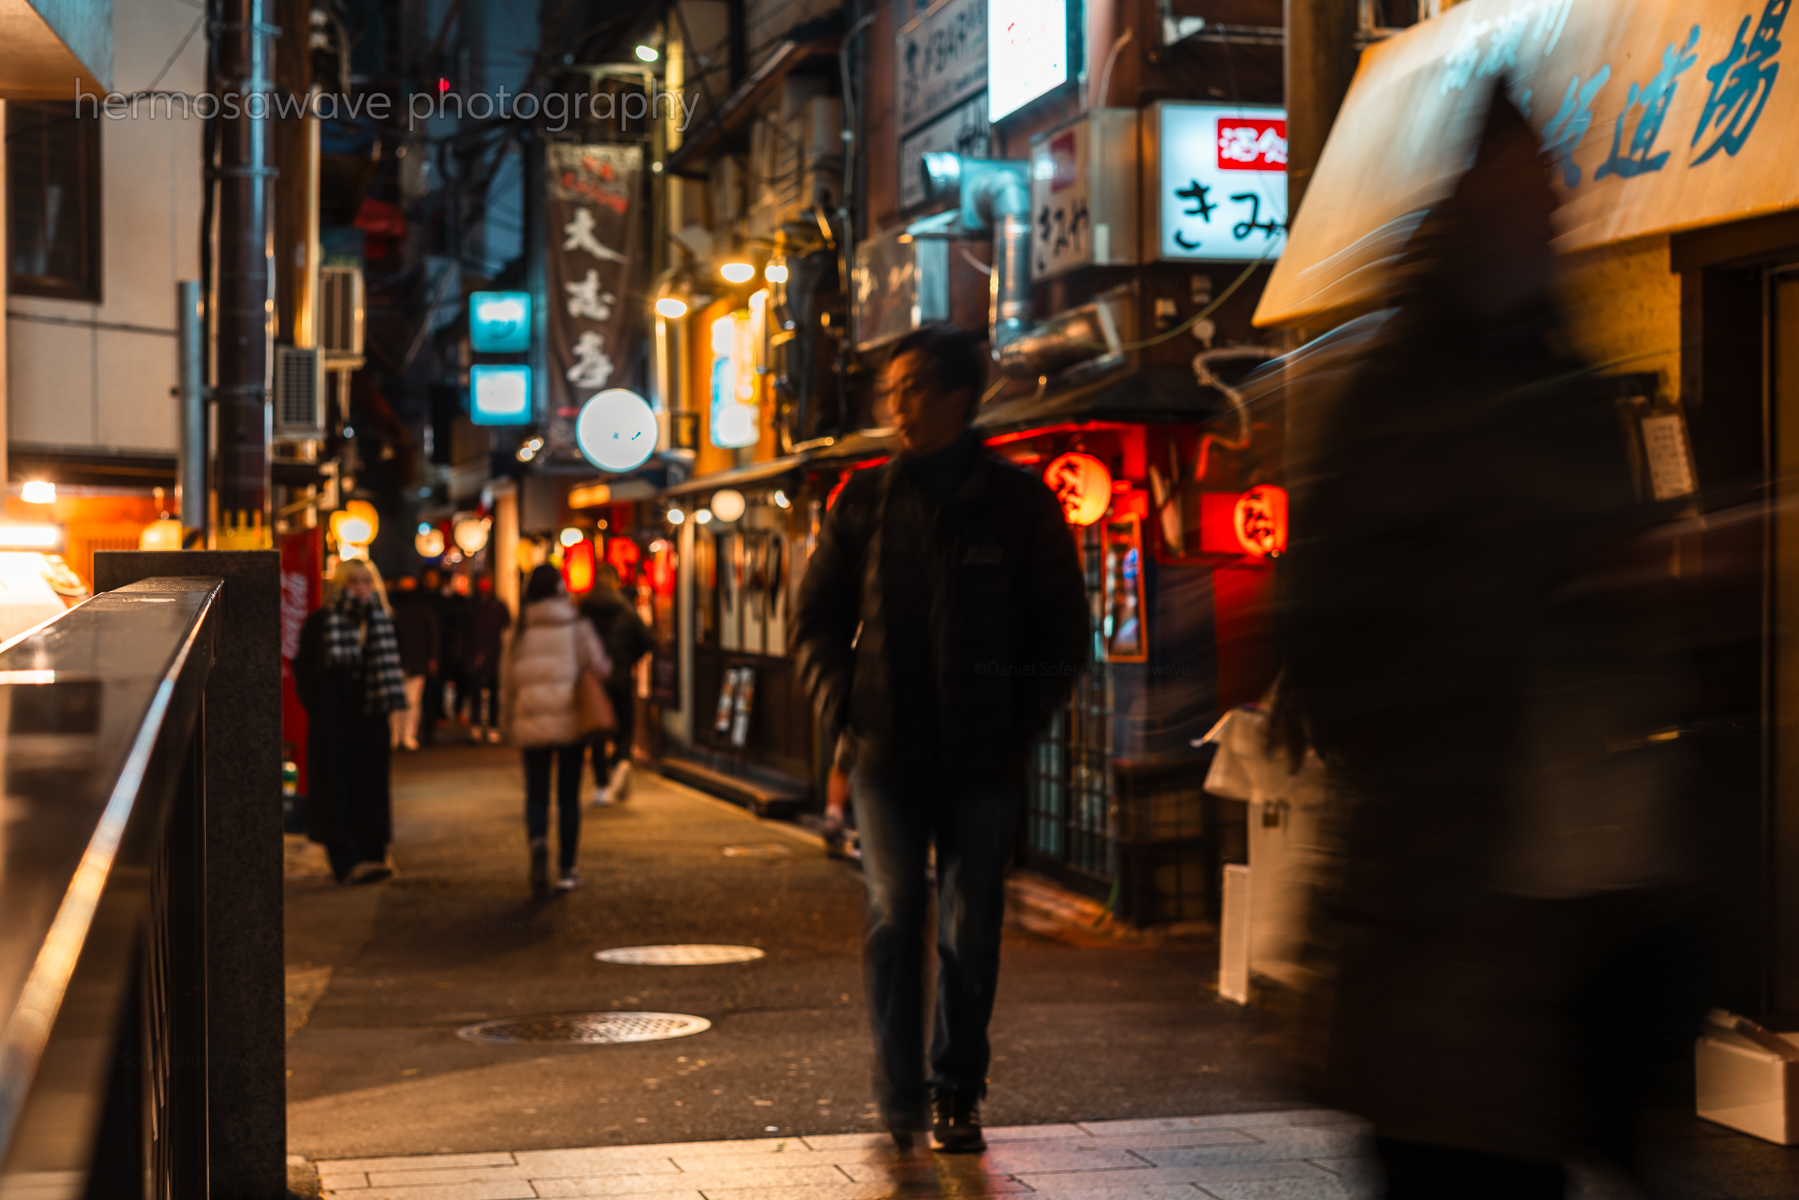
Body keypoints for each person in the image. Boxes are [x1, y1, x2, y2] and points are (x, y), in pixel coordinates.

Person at [1271, 90, 1707, 1198]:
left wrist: (1649, 585)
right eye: (1527, 194)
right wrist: (1548, 594)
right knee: (1455, 1161)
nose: (1551, 215)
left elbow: (1615, 583)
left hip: (1580, 895)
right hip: (1446, 893)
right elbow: (1326, 632)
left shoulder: (1560, 378)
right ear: (1472, 209)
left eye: (1554, 193)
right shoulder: (1394, 389)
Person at [791, 322, 1089, 1152]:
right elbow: (814, 618)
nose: (897, 404)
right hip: (885, 753)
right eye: (891, 389)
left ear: (961, 397)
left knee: (969, 926)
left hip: (982, 757)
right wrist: (844, 707)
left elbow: (1063, 629)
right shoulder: (866, 499)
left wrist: (1018, 713)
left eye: (913, 387)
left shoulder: (1018, 503)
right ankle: (899, 1089)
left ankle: (957, 1086)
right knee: (893, 914)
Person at [294, 559, 410, 884]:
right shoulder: (321, 621)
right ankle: (344, 860)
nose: (360, 588)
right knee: (336, 789)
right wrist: (320, 706)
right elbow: (304, 668)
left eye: (366, 582)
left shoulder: (383, 621)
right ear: (340, 586)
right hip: (334, 724)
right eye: (353, 582)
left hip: (371, 722)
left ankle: (373, 854)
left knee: (370, 789)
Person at [502, 564, 610, 892]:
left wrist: (507, 721)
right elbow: (600, 666)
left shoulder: (518, 630)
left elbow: (506, 682)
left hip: (531, 717)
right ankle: (566, 868)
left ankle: (538, 840)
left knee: (536, 792)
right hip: (570, 719)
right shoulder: (576, 625)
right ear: (561, 589)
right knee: (567, 795)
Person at [580, 563, 651, 804]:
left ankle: (602, 785)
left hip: (595, 679)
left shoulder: (584, 608)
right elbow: (646, 639)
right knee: (624, 722)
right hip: (621, 675)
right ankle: (622, 760)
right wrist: (629, 659)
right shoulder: (625, 608)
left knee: (597, 729)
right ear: (615, 582)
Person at [388, 573, 440, 750]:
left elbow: (432, 634)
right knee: (396, 703)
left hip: (416, 662)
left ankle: (407, 735)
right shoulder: (392, 608)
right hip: (398, 662)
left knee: (411, 701)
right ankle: (395, 736)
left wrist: (431, 657)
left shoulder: (421, 608)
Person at [462, 574, 511, 743]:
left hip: (494, 655)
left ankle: (493, 726)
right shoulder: (471, 606)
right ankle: (475, 726)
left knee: (493, 693)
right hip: (475, 655)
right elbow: (463, 632)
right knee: (475, 692)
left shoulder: (498, 606)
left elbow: (507, 628)